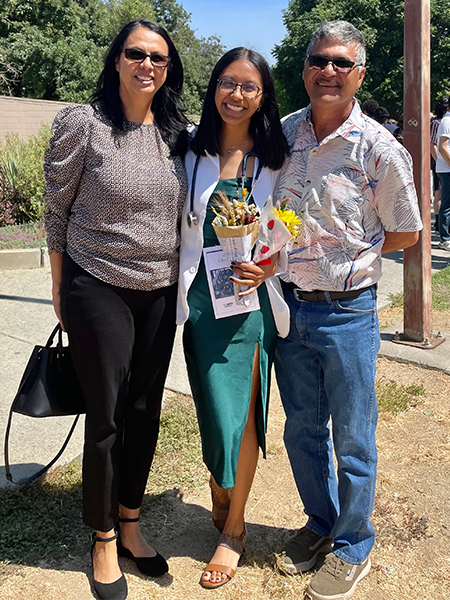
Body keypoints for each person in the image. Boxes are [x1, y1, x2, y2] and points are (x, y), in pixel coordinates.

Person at [274, 20, 422, 600]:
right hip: (288, 306)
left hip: (348, 312)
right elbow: (271, 206)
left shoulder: (379, 147)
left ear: (359, 74)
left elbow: (407, 232)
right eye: (319, 61)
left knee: (354, 437)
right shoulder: (284, 134)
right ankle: (320, 524)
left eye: (341, 62)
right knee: (302, 431)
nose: (328, 71)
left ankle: (354, 542)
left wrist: (350, 255)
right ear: (305, 68)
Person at [44, 19, 189, 600]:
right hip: (96, 283)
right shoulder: (85, 123)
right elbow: (57, 210)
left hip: (160, 287)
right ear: (117, 60)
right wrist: (59, 286)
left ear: (168, 67)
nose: (146, 64)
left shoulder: (181, 132)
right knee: (106, 415)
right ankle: (102, 536)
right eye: (135, 53)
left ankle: (130, 521)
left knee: (145, 407)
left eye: (158, 57)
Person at [177, 47, 289, 589]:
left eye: (248, 86)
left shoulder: (276, 160)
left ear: (263, 96)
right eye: (227, 83)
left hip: (249, 303)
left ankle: (234, 529)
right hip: (199, 302)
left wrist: (267, 266)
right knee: (212, 411)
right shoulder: (189, 153)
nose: (236, 95)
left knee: (241, 413)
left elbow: (293, 230)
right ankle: (222, 493)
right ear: (213, 88)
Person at [430, 99, 448, 232]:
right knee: (441, 197)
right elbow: (437, 146)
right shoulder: (443, 123)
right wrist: (440, 160)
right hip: (445, 166)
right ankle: (443, 233)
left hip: (443, 165)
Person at [435, 98, 450, 250]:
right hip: (447, 170)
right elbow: (443, 147)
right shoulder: (447, 122)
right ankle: (445, 239)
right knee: (447, 205)